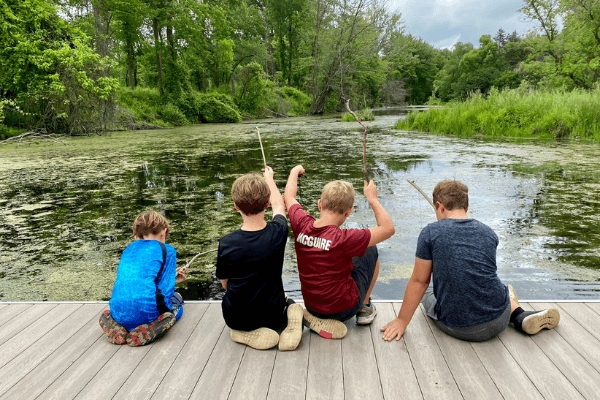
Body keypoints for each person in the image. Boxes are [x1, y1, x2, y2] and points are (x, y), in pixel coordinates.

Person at [381, 180, 560, 342]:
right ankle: (519, 315)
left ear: (439, 206)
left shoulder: (430, 232)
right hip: (499, 320)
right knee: (495, 284)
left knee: (427, 291)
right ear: (466, 207)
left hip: (458, 326)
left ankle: (515, 311)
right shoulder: (489, 233)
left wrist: (401, 321)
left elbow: (419, 281)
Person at [284, 165, 395, 339]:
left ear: (320, 204)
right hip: (343, 311)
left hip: (312, 305)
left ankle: (313, 317)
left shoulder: (302, 225)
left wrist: (294, 171)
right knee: (370, 247)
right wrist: (373, 199)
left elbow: (289, 197)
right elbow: (388, 229)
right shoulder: (344, 239)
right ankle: (364, 308)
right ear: (349, 211)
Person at [216, 167, 303, 351]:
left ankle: (242, 332)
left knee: (238, 309)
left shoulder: (226, 243)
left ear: (236, 206)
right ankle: (291, 326)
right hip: (272, 315)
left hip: (235, 317)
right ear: (266, 204)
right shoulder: (278, 232)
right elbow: (279, 206)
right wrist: (269, 179)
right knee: (291, 304)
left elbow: (225, 285)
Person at [99, 211, 187, 346]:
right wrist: (173, 283)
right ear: (163, 233)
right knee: (178, 302)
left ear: (136, 235)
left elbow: (134, 281)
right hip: (149, 312)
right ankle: (153, 325)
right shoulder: (168, 250)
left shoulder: (128, 250)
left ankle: (116, 323)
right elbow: (166, 292)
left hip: (117, 310)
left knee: (129, 305)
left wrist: (172, 279)